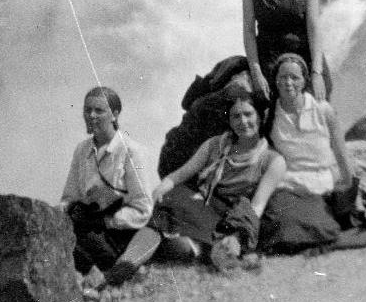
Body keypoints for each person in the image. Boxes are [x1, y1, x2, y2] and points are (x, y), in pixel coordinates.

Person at [111, 88, 286, 282]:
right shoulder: (214, 145)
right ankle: (121, 270)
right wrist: (157, 191)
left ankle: (209, 251)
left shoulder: (272, 161)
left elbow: (257, 206)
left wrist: (237, 236)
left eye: (248, 114)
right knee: (167, 206)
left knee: (173, 229)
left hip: (231, 221)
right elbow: (179, 175)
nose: (243, 122)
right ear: (229, 121)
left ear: (260, 116)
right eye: (236, 116)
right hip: (200, 208)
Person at [259, 53, 356, 253]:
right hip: (289, 184)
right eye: (283, 77)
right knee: (281, 219)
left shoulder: (323, 109)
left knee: (318, 223)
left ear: (304, 81)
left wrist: (353, 190)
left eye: (294, 77)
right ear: (275, 80)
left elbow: (341, 154)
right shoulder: (270, 115)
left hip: (323, 180)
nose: (288, 83)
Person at [60, 86, 153, 285]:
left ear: (115, 114)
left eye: (98, 110)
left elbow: (143, 209)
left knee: (69, 241)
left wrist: (106, 222)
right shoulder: (82, 150)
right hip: (88, 229)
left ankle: (102, 276)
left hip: (117, 235)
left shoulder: (131, 151)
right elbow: (69, 197)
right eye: (87, 110)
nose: (91, 116)